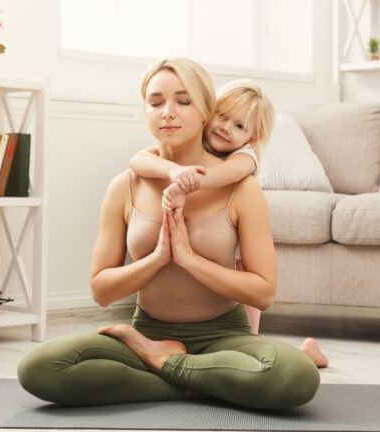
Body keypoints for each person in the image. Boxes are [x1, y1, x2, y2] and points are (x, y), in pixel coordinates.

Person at [17, 58, 320, 410]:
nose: (168, 113)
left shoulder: (242, 188)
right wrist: (158, 258)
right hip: (145, 333)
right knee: (39, 369)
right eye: (156, 102)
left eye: (183, 101)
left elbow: (263, 293)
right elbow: (101, 290)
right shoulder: (124, 186)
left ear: (207, 110)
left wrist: (189, 259)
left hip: (224, 338)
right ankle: (204, 379)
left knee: (296, 376)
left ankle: (164, 365)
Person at [128, 78, 328, 368]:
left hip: (237, 262)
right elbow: (138, 160)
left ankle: (306, 355)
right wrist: (173, 169)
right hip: (213, 255)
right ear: (208, 112)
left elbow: (225, 175)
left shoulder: (244, 158)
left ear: (252, 138)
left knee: (246, 347)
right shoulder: (186, 146)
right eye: (222, 117)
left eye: (239, 126)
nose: (225, 128)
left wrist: (189, 181)